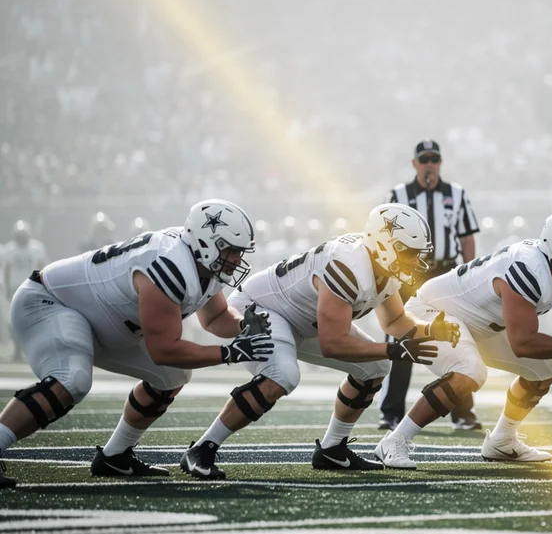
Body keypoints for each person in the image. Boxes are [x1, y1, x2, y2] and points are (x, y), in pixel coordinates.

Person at [0, 200, 273, 489]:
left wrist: (243, 324)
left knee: (172, 376)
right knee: (73, 380)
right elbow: (164, 350)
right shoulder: (168, 264)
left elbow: (216, 316)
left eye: (240, 251)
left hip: (104, 322)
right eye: (231, 249)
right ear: (207, 242)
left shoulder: (200, 261)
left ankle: (114, 455)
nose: (236, 259)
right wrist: (229, 353)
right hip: (50, 303)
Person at [180, 203, 461, 478]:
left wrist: (429, 331)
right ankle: (203, 447)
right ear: (386, 247)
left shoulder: (380, 267)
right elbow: (333, 344)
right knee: (283, 376)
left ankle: (332, 449)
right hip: (261, 310)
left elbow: (395, 322)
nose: (415, 261)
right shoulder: (348, 267)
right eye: (410, 253)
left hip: (303, 321)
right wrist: (392, 349)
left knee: (376, 367)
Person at [374, 211, 552, 470]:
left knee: (547, 368)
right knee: (470, 373)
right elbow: (523, 343)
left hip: (478, 323)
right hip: (434, 313)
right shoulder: (529, 268)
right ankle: (394, 441)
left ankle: (502, 440)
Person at [378, 139, 482, 431]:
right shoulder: (398, 194)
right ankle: (391, 411)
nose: (429, 165)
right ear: (414, 164)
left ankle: (462, 412)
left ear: (440, 163)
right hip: (409, 273)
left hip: (446, 273)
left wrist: (467, 273)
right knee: (401, 338)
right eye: (424, 159)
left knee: (459, 337)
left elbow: (467, 237)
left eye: (434, 159)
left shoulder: (456, 194)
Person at [2, 221, 48, 362]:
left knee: (33, 319)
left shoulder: (37, 248)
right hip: (16, 287)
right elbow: (7, 270)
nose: (21, 237)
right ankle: (17, 350)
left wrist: (42, 286)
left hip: (31, 286)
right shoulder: (9, 250)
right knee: (14, 320)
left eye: (23, 234)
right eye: (19, 234)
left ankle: (31, 349)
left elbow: (41, 267)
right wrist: (7, 288)